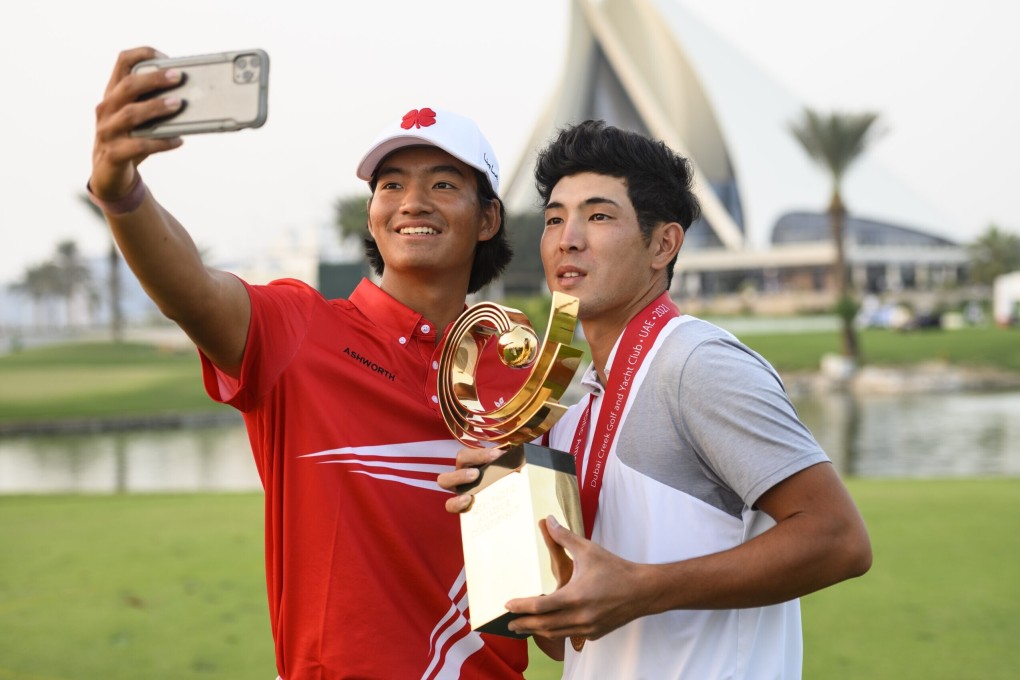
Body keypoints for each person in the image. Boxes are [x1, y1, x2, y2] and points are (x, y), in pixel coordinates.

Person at [88, 47, 528, 679]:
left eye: (443, 183)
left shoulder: (520, 374)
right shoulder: (298, 331)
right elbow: (191, 288)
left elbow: (552, 602)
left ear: (487, 218)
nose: (412, 201)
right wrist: (122, 194)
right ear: (373, 219)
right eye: (391, 184)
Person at [439, 120, 873, 679]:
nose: (568, 237)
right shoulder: (575, 419)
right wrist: (502, 515)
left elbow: (839, 539)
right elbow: (565, 638)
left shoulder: (695, 363)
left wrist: (643, 589)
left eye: (598, 216)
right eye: (554, 218)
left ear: (663, 243)